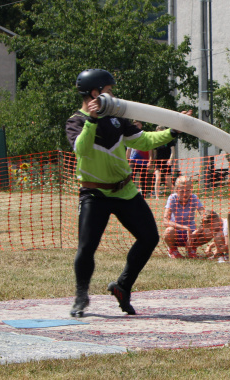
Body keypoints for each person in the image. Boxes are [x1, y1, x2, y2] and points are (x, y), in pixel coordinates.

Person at [65, 68, 191, 317]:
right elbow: (82, 150)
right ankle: (81, 297)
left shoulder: (117, 119)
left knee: (149, 238)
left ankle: (123, 286)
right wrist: (91, 120)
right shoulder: (76, 121)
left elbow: (143, 141)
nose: (114, 96)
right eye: (109, 91)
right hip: (94, 195)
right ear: (95, 93)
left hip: (125, 191)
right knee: (86, 247)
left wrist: (173, 131)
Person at [161, 176, 207, 258]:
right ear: (176, 190)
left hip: (191, 235)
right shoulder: (172, 198)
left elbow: (205, 215)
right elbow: (165, 221)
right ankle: (173, 251)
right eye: (182, 191)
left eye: (188, 191)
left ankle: (191, 249)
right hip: (176, 233)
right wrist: (186, 228)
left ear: (191, 188)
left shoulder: (194, 198)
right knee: (169, 231)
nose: (185, 194)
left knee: (208, 232)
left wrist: (197, 231)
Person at [126, 121, 152, 196]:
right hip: (133, 160)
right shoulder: (131, 136)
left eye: (138, 124)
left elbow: (150, 149)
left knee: (143, 179)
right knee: (131, 177)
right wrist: (126, 161)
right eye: (135, 125)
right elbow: (128, 150)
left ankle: (144, 194)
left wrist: (150, 161)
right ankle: (131, 193)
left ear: (141, 125)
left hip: (144, 161)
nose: (136, 126)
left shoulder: (145, 135)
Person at [151, 126, 176, 199]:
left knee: (168, 180)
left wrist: (170, 159)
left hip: (167, 162)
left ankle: (174, 194)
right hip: (158, 162)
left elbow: (172, 151)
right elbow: (155, 153)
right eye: (158, 132)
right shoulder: (156, 141)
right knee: (158, 178)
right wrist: (153, 163)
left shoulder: (169, 140)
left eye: (161, 131)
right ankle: (157, 196)